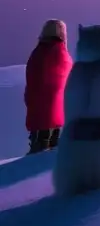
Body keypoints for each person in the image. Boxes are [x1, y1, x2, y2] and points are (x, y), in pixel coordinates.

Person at [24, 19, 72, 155]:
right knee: (49, 151)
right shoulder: (61, 54)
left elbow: (31, 77)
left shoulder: (37, 53)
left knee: (37, 147)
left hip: (36, 108)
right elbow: (68, 77)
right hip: (55, 108)